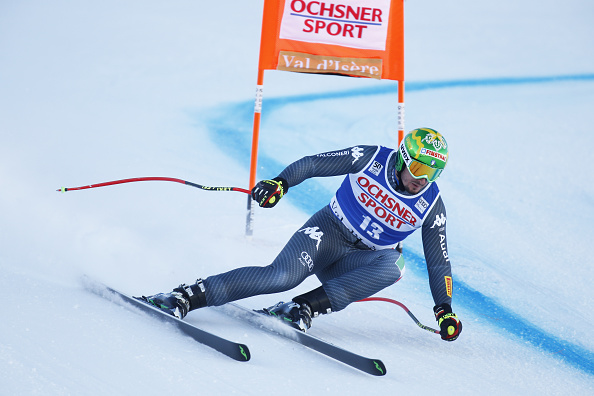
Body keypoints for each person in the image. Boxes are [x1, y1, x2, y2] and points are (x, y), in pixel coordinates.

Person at [140, 127, 462, 341]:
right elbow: (313, 164)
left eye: (434, 173)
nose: (423, 179)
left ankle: (300, 308)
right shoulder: (371, 158)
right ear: (404, 159)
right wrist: (281, 183)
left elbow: (438, 263)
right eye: (419, 169)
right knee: (281, 276)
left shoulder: (431, 204)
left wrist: (443, 308)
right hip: (329, 231)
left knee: (395, 266)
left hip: (358, 260)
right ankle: (186, 296)